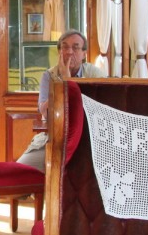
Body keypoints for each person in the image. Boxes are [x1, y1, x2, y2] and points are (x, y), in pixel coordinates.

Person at [17, 30, 106, 171]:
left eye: (75, 47)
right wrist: (64, 81)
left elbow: (101, 110)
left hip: (90, 139)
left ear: (84, 54)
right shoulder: (49, 75)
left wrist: (69, 81)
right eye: (65, 47)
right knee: (21, 169)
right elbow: (45, 112)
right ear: (59, 51)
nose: (69, 52)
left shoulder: (95, 75)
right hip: (54, 138)